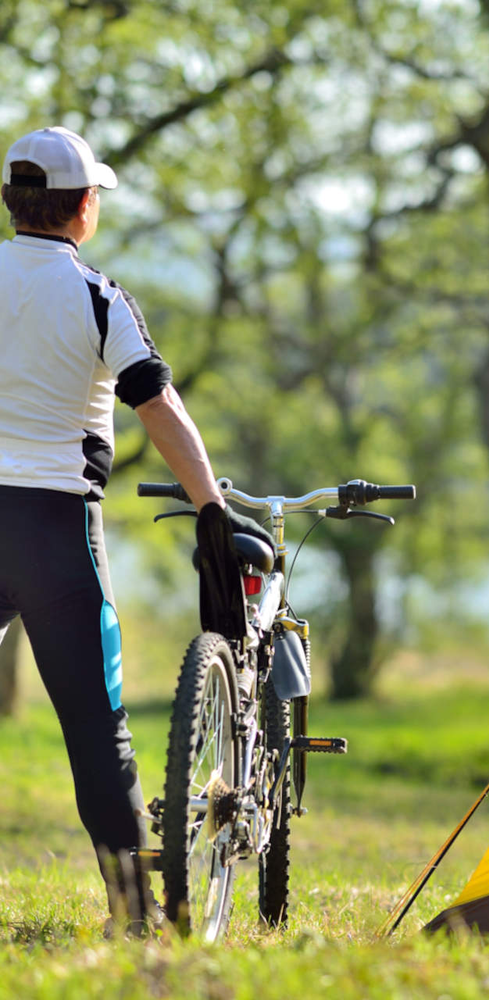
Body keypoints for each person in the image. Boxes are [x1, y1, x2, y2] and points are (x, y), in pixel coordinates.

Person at [0, 126, 269, 935]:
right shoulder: (98, 295)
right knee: (95, 726)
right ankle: (132, 915)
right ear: (84, 207)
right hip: (56, 532)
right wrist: (213, 510)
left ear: (13, 200)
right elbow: (158, 406)